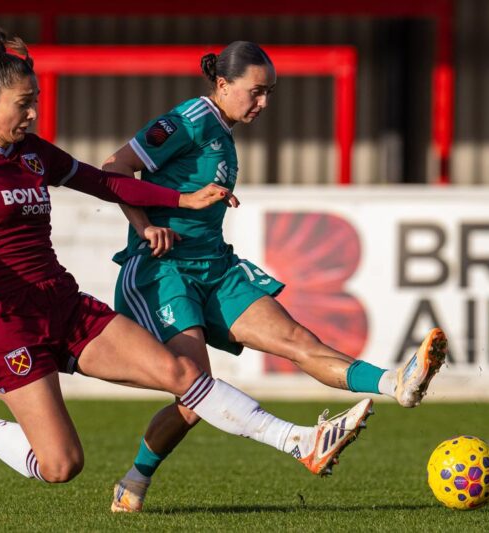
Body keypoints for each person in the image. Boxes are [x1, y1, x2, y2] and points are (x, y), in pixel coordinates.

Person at [0, 30, 374, 491]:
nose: (34, 113)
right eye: (24, 104)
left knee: (180, 372)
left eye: (35, 102)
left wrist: (181, 201)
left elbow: (105, 181)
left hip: (61, 301)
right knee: (61, 465)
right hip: (6, 321)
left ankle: (301, 442)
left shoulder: (35, 153)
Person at [103, 41, 449, 512]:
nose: (263, 104)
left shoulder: (222, 130)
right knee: (196, 389)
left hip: (215, 267)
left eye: (269, 93)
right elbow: (115, 168)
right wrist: (147, 226)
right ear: (223, 85)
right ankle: (287, 444)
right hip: (163, 272)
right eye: (256, 92)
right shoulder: (190, 117)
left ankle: (398, 385)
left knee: (295, 342)